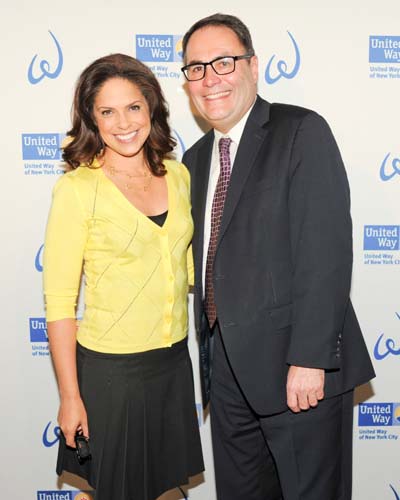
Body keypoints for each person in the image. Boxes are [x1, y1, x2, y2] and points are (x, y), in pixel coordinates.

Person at [181, 13, 375, 500]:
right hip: (226, 374)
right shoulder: (195, 160)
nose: (211, 78)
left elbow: (325, 252)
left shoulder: (300, 131)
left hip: (297, 372)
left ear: (253, 65)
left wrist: (310, 358)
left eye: (223, 62)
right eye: (196, 68)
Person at [43, 53, 204, 500]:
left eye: (133, 107)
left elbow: (190, 268)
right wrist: (70, 397)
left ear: (151, 106)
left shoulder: (178, 175)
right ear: (91, 119)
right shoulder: (78, 189)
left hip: (171, 363)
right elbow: (59, 304)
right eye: (106, 111)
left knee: (167, 489)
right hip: (111, 373)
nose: (123, 123)